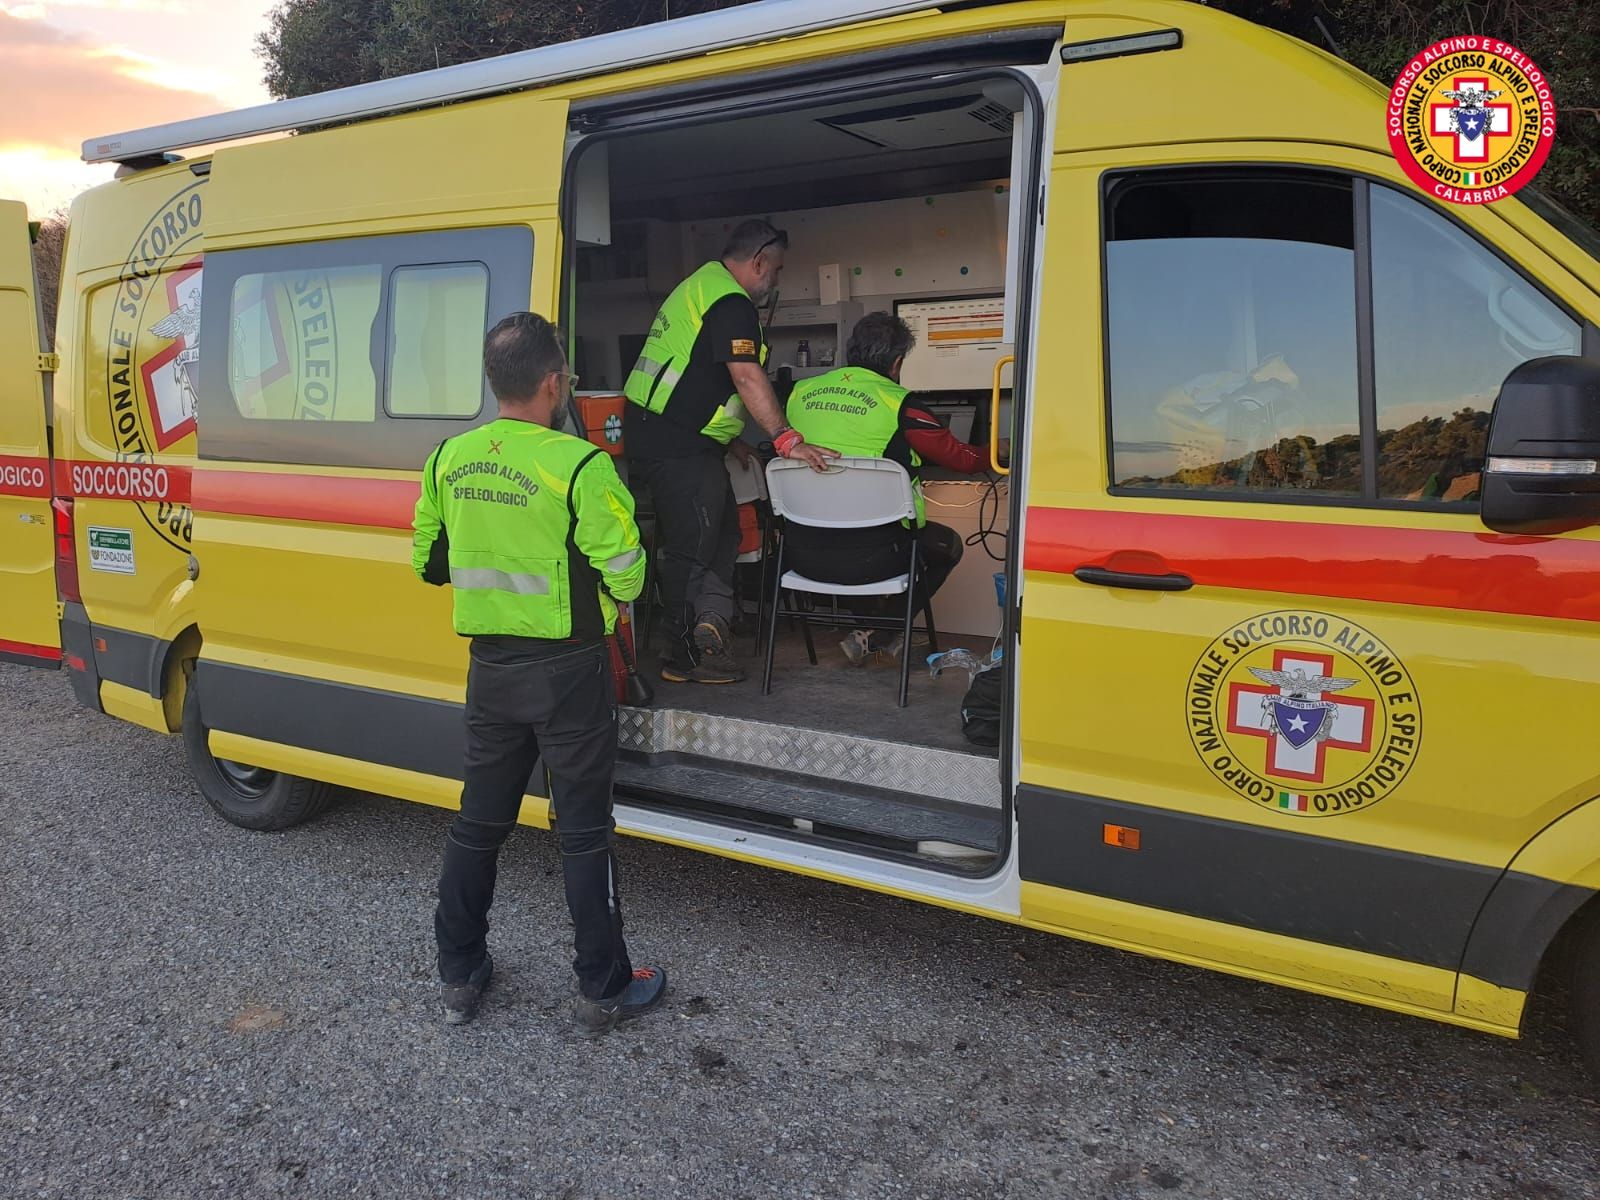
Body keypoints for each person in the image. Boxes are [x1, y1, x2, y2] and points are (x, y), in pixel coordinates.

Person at [412, 311, 664, 1033]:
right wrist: (613, 601)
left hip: (490, 670)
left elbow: (428, 563)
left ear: (495, 383)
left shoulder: (447, 459)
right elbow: (626, 572)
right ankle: (602, 987)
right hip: (570, 672)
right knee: (584, 833)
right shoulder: (581, 467)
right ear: (555, 383)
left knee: (477, 825)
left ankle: (459, 975)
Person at [624, 219, 836, 685]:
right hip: (675, 444)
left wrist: (732, 437)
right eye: (776, 270)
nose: (775, 281)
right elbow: (745, 375)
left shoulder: (702, 286)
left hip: (674, 436)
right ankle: (681, 656)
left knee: (721, 535)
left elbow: (696, 375)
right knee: (692, 546)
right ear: (759, 260)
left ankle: (707, 629)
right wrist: (787, 439)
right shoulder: (730, 301)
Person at [784, 311, 993, 664]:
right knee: (947, 545)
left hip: (803, 552)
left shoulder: (798, 393)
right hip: (873, 558)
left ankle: (874, 633)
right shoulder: (899, 404)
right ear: (896, 363)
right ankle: (883, 631)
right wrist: (999, 450)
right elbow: (964, 460)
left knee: (854, 531)